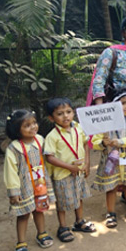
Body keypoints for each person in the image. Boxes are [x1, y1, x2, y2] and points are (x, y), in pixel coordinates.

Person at [4, 110, 55, 251]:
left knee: (39, 209)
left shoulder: (40, 140)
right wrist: (14, 191)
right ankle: (21, 243)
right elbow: (10, 171)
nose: (33, 127)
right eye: (27, 125)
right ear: (16, 129)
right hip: (24, 186)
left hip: (40, 183)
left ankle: (42, 233)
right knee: (24, 214)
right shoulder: (13, 148)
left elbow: (48, 159)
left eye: (34, 123)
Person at [44, 98, 95, 243]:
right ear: (51, 118)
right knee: (63, 202)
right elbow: (50, 158)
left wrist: (87, 163)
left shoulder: (78, 127)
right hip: (62, 175)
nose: (66, 116)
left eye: (68, 112)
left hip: (78, 171)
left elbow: (85, 144)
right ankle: (63, 227)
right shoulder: (52, 136)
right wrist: (70, 167)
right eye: (60, 114)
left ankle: (79, 221)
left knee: (78, 196)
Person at [91, 89, 126, 227]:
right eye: (123, 103)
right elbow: (95, 141)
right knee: (111, 187)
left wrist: (120, 142)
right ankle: (111, 213)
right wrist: (103, 143)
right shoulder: (104, 123)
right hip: (110, 160)